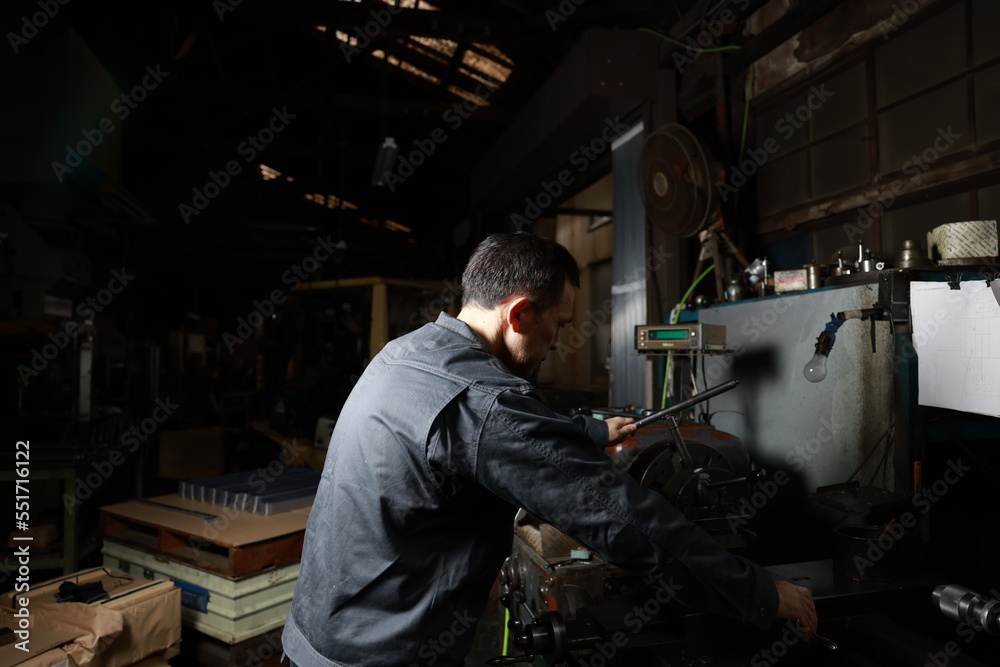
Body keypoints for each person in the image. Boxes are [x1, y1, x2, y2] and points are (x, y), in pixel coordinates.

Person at [282, 232, 816, 667]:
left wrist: (591, 431)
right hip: (377, 656)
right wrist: (758, 593)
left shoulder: (410, 353)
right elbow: (620, 519)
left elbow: (491, 436)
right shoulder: (484, 400)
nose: (558, 342)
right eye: (557, 325)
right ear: (518, 315)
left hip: (315, 633)